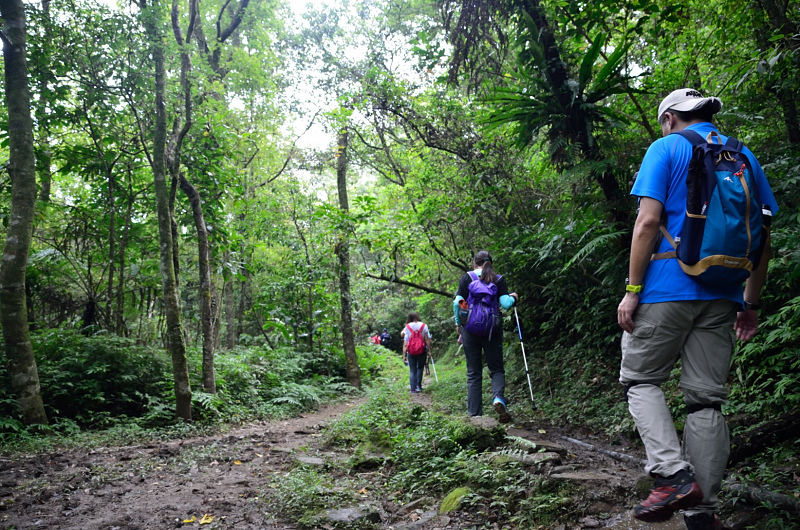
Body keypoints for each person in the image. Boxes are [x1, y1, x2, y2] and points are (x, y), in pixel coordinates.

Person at [617, 88, 778, 528]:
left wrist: (633, 289)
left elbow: (648, 222)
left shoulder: (665, 148)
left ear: (670, 118)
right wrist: (751, 303)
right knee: (705, 402)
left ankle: (671, 476)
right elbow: (763, 239)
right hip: (724, 295)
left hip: (667, 289)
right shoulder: (744, 157)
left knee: (640, 380)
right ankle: (701, 515)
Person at [453, 250, 518, 423]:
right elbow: (505, 304)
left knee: (474, 372)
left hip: (470, 330)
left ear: (474, 263)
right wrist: (513, 298)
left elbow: (457, 302)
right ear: (491, 263)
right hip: (492, 330)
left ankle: (475, 416)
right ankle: (498, 398)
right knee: (496, 368)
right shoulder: (498, 279)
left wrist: (459, 324)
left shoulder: (467, 278)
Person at [401, 313, 432, 393]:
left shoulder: (407, 327)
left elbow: (405, 343)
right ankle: (419, 386)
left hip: (410, 351)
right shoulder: (424, 326)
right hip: (421, 351)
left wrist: (404, 356)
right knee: (420, 368)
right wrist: (429, 351)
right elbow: (427, 339)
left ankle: (412, 389)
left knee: (412, 370)